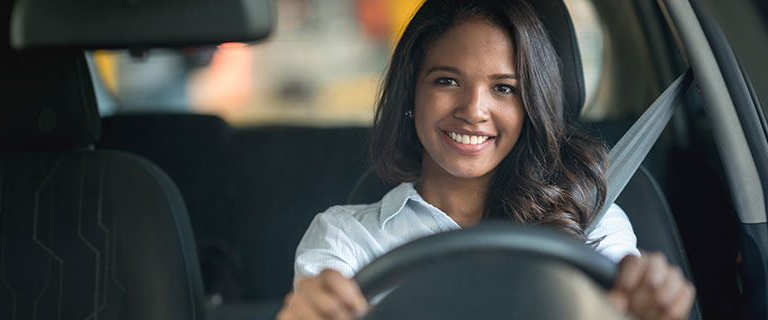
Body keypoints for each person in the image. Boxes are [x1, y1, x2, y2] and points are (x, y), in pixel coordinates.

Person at [277, 0, 696, 319]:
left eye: (504, 89)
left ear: (531, 105)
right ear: (411, 95)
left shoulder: (593, 222)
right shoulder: (345, 239)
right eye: (447, 80)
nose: (473, 109)